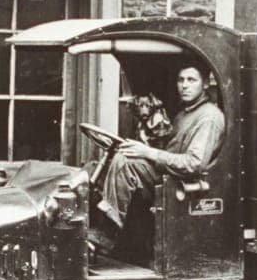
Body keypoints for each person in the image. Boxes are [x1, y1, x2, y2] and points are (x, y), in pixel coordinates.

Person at [96, 64, 225, 234]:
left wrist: (148, 152)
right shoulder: (184, 114)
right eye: (181, 80)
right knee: (97, 165)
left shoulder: (209, 117)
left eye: (191, 80)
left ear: (205, 84)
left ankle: (109, 232)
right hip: (167, 175)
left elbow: (194, 164)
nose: (184, 85)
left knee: (124, 161)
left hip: (183, 183)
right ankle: (102, 225)